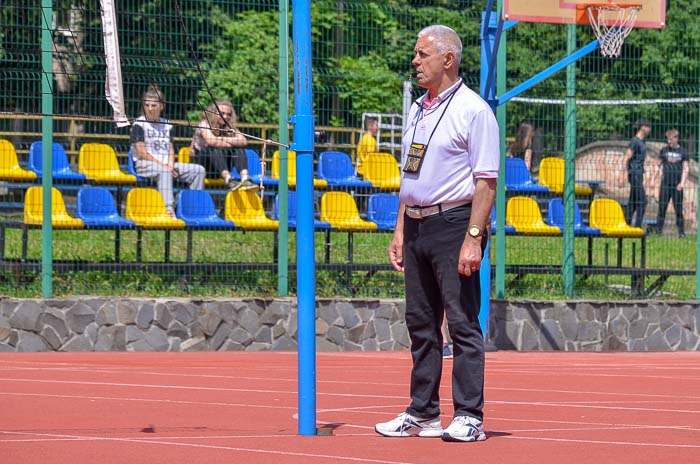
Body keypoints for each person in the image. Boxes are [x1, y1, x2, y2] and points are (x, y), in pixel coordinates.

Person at [374, 25, 499, 443]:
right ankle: (423, 412)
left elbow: (486, 183)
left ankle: (469, 415)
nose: (415, 61)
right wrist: (398, 228)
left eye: (422, 54)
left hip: (454, 224)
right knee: (421, 323)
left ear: (448, 59)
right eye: (415, 54)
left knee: (463, 323)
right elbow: (411, 173)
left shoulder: (474, 110)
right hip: (416, 224)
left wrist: (474, 236)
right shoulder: (418, 109)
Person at [130, 85, 205, 218]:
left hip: (166, 165)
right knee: (164, 171)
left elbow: (171, 148)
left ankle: (192, 207)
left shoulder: (167, 124)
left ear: (161, 107)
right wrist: (164, 166)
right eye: (147, 105)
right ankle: (168, 210)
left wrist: (170, 165)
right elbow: (141, 152)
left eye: (153, 105)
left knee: (198, 170)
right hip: (145, 164)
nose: (149, 109)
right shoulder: (138, 124)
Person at [190, 100, 258, 191]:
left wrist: (221, 140)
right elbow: (211, 141)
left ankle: (245, 179)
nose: (225, 116)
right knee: (212, 148)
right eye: (222, 113)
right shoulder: (204, 123)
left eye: (228, 114)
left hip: (222, 165)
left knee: (238, 149)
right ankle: (228, 179)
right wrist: (231, 142)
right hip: (204, 165)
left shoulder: (230, 127)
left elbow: (243, 141)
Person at [651, 128, 688, 237]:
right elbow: (657, 165)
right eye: (668, 139)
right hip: (665, 184)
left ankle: (681, 232)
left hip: (677, 185)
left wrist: (682, 183)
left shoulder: (683, 152)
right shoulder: (664, 150)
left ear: (676, 138)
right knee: (662, 208)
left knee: (679, 210)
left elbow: (686, 168)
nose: (669, 142)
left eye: (671, 140)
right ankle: (658, 231)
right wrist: (653, 179)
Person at [618, 119, 651, 228]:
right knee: (643, 201)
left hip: (639, 174)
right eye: (648, 127)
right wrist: (622, 175)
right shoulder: (635, 141)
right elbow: (627, 157)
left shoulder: (642, 142)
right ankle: (637, 227)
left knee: (632, 202)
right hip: (634, 174)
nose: (650, 129)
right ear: (643, 127)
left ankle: (626, 224)